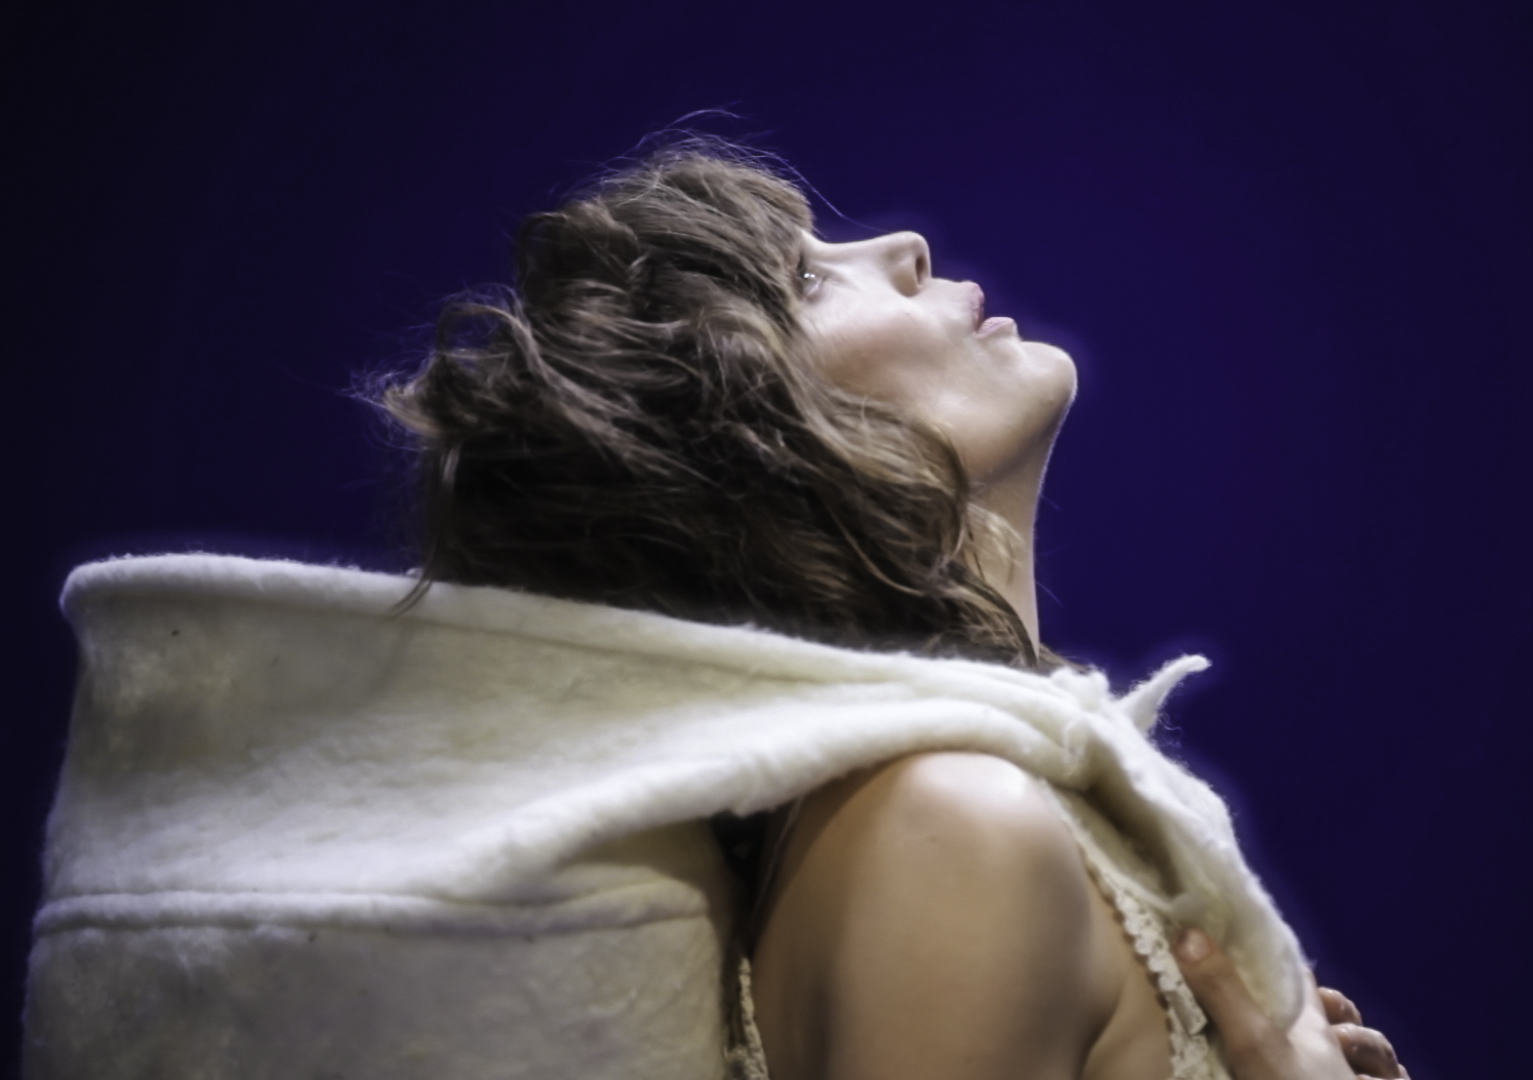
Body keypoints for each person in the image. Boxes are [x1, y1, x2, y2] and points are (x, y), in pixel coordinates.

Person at [25, 140, 1407, 1080]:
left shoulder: (986, 810)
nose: (906, 245)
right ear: (746, 456)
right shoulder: (947, 823)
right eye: (802, 278)